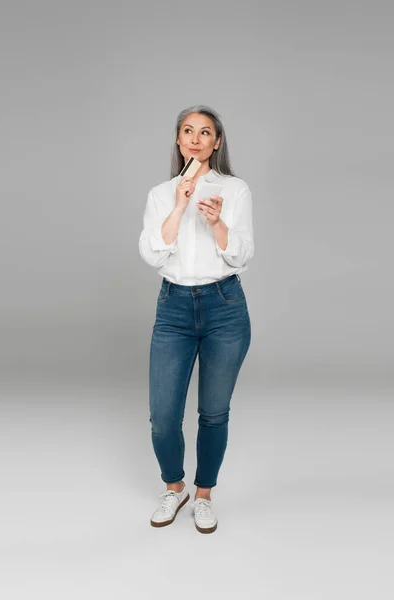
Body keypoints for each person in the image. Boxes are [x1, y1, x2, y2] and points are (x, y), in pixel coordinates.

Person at [138, 104, 254, 534]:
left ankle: (204, 494)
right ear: (178, 139)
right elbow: (152, 253)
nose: (195, 138)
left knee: (213, 412)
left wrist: (217, 222)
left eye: (205, 132)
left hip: (225, 306)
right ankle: (175, 486)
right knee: (163, 415)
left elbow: (242, 253)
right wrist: (179, 204)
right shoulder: (159, 193)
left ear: (217, 142)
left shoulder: (235, 189)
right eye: (188, 130)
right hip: (174, 308)